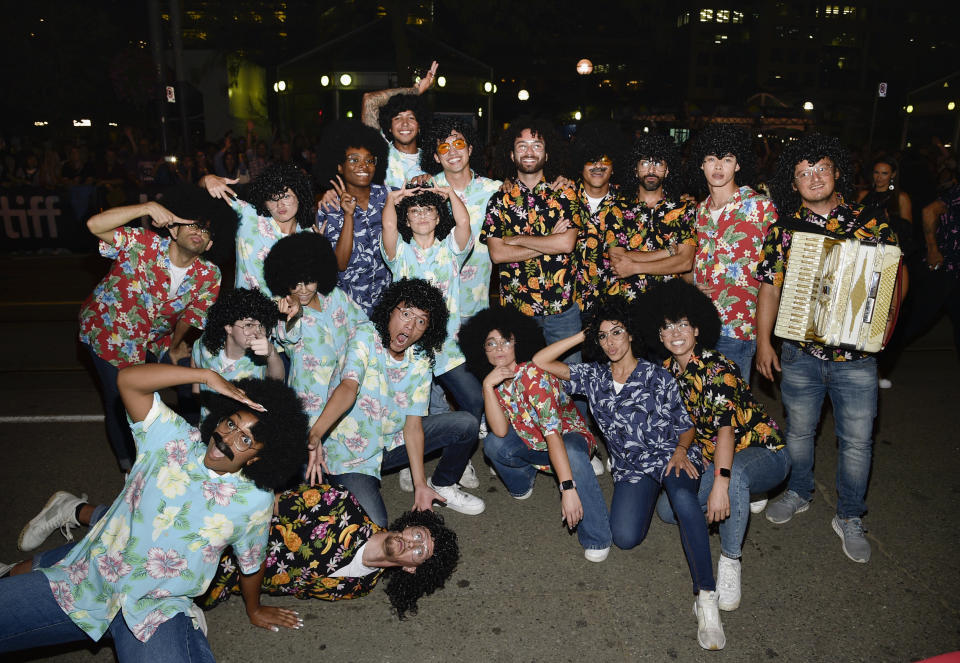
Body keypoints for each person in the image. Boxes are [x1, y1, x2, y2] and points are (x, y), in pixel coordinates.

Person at [0, 364, 309, 660]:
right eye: (231, 423)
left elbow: (251, 562)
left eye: (245, 439)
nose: (227, 438)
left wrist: (254, 609)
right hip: (87, 580)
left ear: (257, 459)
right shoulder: (171, 438)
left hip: (156, 611)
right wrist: (204, 375)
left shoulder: (255, 500)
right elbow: (128, 381)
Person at [532, 297, 726, 651]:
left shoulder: (657, 374)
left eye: (617, 332)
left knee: (684, 500)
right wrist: (582, 335)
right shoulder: (593, 376)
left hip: (670, 456)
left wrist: (682, 450)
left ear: (632, 334)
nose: (611, 342)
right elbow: (540, 361)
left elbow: (685, 426)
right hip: (631, 469)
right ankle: (660, 498)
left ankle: (707, 596)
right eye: (603, 336)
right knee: (624, 537)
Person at [756, 134, 902, 563]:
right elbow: (769, 288)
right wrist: (765, 341)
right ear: (793, 182)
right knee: (798, 431)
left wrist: (885, 329)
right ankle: (799, 491)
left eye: (819, 168)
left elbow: (891, 279)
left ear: (837, 170)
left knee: (857, 442)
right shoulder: (783, 230)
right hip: (800, 354)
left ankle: (850, 515)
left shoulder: (872, 221)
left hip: (857, 359)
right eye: (802, 173)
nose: (812, 178)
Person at [644, 280, 789, 612]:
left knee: (734, 478)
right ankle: (741, 489)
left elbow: (725, 431)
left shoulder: (717, 368)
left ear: (697, 329)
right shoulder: (666, 372)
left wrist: (721, 485)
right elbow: (686, 421)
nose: (675, 332)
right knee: (669, 511)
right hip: (716, 455)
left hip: (763, 450)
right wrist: (681, 451)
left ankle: (730, 561)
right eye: (667, 327)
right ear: (660, 336)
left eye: (682, 324)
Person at [78, 185, 229, 471]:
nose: (198, 231)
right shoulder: (141, 243)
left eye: (206, 230)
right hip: (108, 333)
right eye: (192, 225)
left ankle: (192, 446)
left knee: (190, 373)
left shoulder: (209, 274)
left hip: (153, 338)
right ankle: (129, 467)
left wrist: (174, 347)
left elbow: (194, 316)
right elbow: (94, 225)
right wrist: (146, 208)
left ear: (209, 245)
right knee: (120, 400)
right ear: (173, 230)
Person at [311, 278, 485, 527]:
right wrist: (316, 434)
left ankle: (442, 486)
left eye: (421, 321)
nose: (411, 326)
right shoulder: (365, 335)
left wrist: (420, 484)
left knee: (466, 424)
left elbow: (413, 425)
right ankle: (336, 486)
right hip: (352, 455)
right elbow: (349, 387)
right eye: (406, 314)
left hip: (392, 443)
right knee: (375, 525)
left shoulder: (421, 358)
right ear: (390, 309)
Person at [459, 307, 612, 562]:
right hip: (532, 441)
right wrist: (487, 386)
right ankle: (524, 479)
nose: (499, 348)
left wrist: (567, 488)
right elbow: (498, 431)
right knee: (494, 445)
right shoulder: (495, 379)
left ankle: (597, 535)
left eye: (505, 341)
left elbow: (553, 434)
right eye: (491, 343)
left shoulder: (531, 375)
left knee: (573, 453)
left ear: (517, 342)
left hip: (566, 437)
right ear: (482, 350)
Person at [198, 483, 459, 619]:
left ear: (410, 568)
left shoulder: (361, 587)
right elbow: (264, 504)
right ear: (409, 525)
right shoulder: (339, 504)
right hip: (214, 543)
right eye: (418, 536)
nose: (413, 544)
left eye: (419, 552)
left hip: (220, 587)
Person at [480, 116, 582, 351]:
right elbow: (498, 255)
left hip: (562, 313)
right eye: (522, 145)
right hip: (518, 313)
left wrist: (515, 240)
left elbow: (566, 244)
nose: (529, 151)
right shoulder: (499, 200)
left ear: (547, 154)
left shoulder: (565, 195)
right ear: (512, 154)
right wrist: (549, 242)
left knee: (569, 384)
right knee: (521, 384)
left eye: (537, 145)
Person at [688, 125, 776, 383]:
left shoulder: (760, 207)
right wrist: (693, 284)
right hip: (697, 328)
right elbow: (685, 267)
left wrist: (765, 340)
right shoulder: (697, 212)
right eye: (711, 159)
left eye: (727, 159)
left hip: (739, 330)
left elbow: (776, 276)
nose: (718, 167)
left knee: (731, 413)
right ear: (701, 165)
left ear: (738, 165)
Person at [263, 232, 368, 438]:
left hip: (348, 390)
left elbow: (364, 327)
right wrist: (293, 315)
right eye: (295, 283)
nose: (302, 289)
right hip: (310, 399)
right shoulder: (280, 308)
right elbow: (288, 337)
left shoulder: (335, 297)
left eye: (309, 281)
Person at [417, 116, 503, 320]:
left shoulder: (495, 190)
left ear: (470, 149)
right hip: (432, 310)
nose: (453, 151)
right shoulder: (426, 191)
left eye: (458, 143)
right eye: (444, 148)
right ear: (436, 157)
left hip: (477, 308)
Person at [602, 133, 696, 302]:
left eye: (658, 163)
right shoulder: (616, 209)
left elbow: (685, 262)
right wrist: (668, 253)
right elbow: (617, 258)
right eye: (645, 163)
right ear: (635, 169)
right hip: (627, 304)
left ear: (667, 171)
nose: (651, 170)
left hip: (669, 304)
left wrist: (634, 266)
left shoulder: (684, 209)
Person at [314, 120, 392, 316]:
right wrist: (348, 215)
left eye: (369, 160)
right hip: (348, 308)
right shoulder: (329, 208)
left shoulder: (389, 197)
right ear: (340, 166)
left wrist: (424, 179)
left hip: (387, 306)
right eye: (354, 160)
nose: (363, 166)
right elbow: (339, 264)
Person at [202, 162, 314, 296]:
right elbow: (201, 192)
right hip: (246, 313)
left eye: (286, 196)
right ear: (264, 202)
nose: (280, 205)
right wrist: (208, 179)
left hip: (288, 314)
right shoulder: (249, 216)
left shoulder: (309, 236)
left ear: (299, 197)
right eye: (272, 199)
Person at [191, 288, 284, 424]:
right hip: (207, 428)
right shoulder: (205, 346)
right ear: (228, 327)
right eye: (249, 324)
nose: (257, 331)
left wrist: (271, 353)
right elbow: (196, 359)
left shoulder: (260, 357)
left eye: (262, 325)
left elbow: (277, 380)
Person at [569, 121, 628, 314]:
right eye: (590, 159)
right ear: (579, 162)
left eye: (604, 159)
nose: (598, 166)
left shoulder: (628, 202)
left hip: (613, 306)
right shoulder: (561, 197)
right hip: (569, 308)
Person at [361, 61, 438, 189]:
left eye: (411, 118)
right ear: (389, 127)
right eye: (397, 118)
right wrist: (416, 91)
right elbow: (369, 100)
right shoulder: (378, 150)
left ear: (419, 126)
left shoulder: (434, 159)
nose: (405, 123)